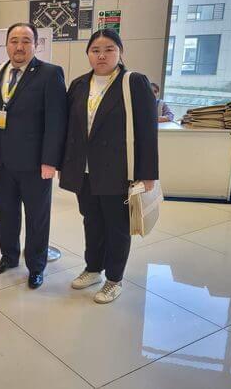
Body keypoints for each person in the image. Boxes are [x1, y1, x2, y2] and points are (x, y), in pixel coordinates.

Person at [59, 29, 158, 304]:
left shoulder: (133, 82)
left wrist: (148, 174)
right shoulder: (79, 84)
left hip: (118, 170)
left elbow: (147, 131)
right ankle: (93, 268)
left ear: (120, 52)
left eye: (109, 49)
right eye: (95, 50)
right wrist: (64, 164)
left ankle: (114, 279)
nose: (101, 55)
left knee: (117, 226)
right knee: (91, 221)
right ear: (88, 54)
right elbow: (69, 129)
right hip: (85, 171)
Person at [0, 22, 67, 289]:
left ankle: (36, 266)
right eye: (14, 40)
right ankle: (8, 256)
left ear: (36, 45)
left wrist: (50, 161)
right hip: (2, 161)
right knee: (7, 213)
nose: (19, 46)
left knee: (37, 217)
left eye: (26, 41)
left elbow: (56, 121)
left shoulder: (50, 73)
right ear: (6, 44)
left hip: (35, 164)